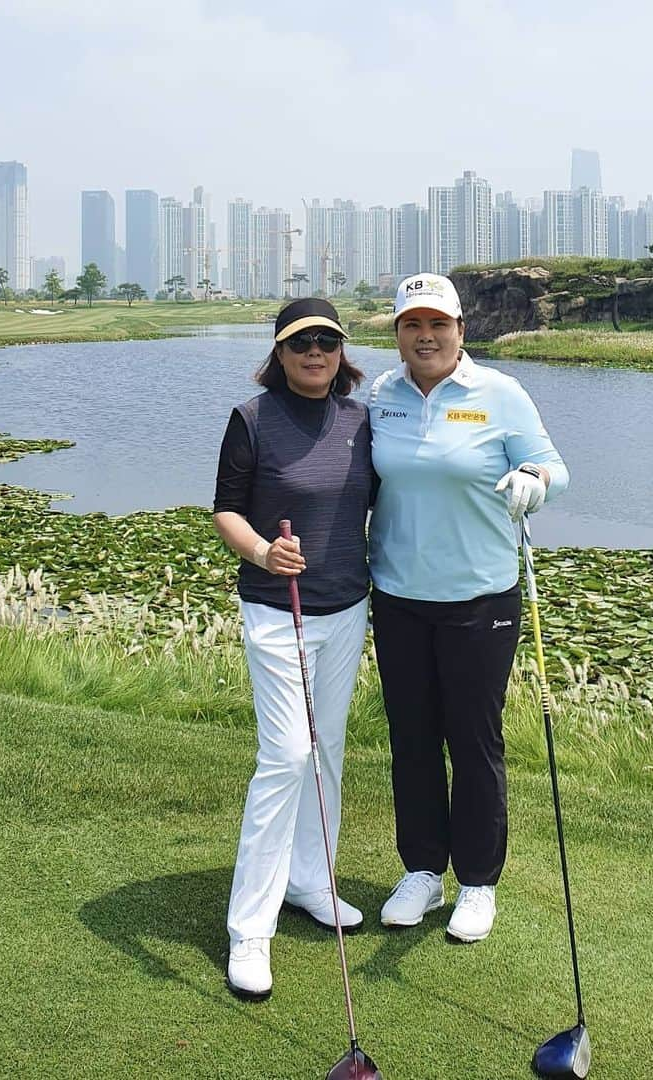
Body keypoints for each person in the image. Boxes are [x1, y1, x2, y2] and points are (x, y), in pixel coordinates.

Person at [368, 273, 569, 943]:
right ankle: (423, 871)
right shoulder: (382, 395)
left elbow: (554, 468)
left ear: (460, 329)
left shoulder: (500, 394)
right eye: (411, 325)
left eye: (438, 325)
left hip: (479, 598)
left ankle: (478, 883)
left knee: (474, 742)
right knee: (412, 739)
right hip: (397, 596)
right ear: (397, 332)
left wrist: (532, 482)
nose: (425, 336)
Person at [213, 297, 373, 1000]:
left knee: (327, 748)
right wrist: (261, 550)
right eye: (300, 343)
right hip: (279, 612)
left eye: (327, 342)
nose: (315, 352)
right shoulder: (252, 419)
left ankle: (312, 879)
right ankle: (250, 926)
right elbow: (226, 507)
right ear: (278, 354)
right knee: (286, 755)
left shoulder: (362, 421)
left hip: (346, 605)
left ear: (342, 352)